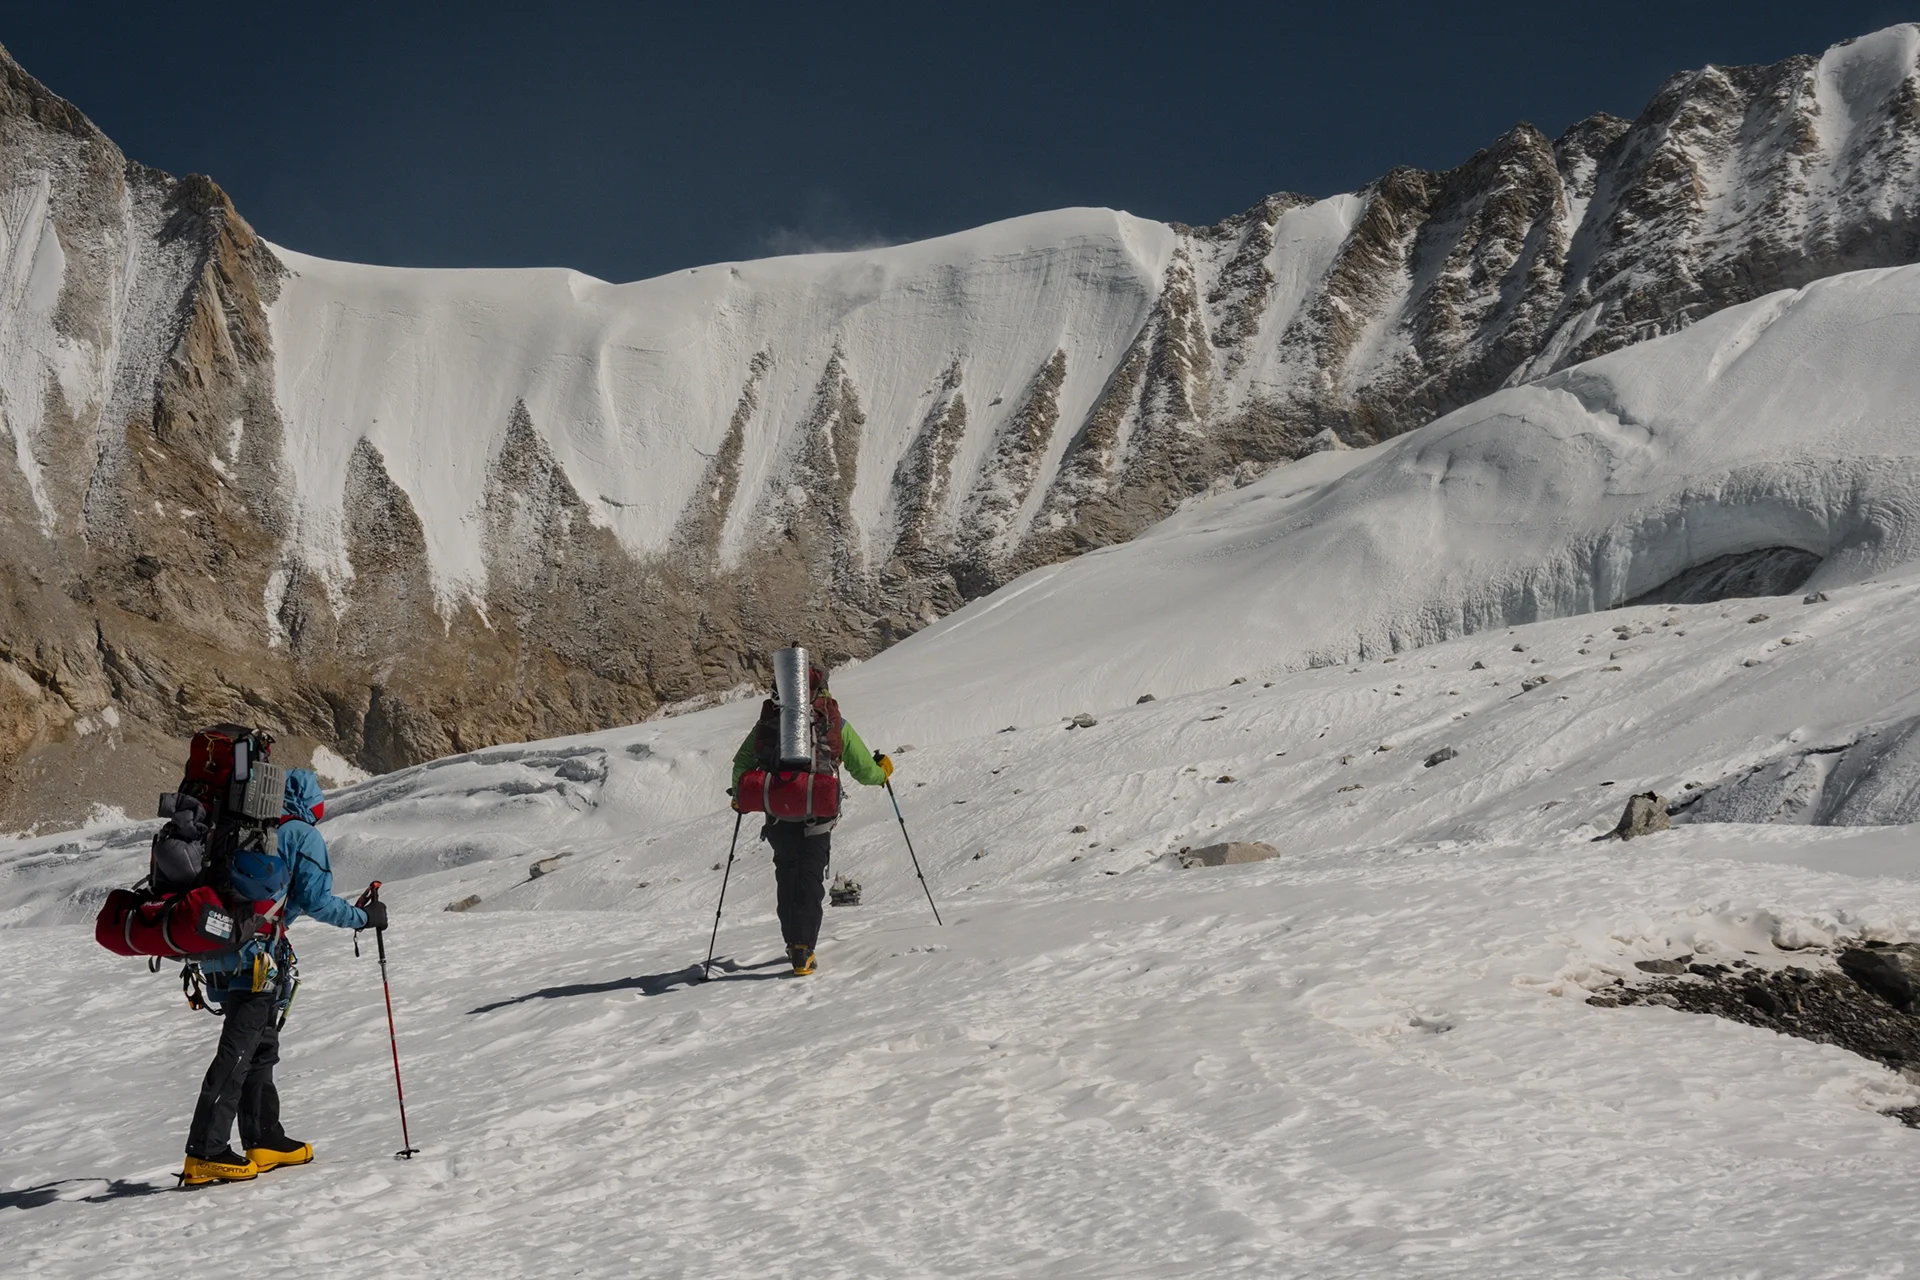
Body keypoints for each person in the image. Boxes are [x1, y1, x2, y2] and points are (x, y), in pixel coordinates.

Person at [180, 767, 384, 1186]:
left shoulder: (241, 828)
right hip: (255, 957)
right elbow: (316, 900)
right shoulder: (299, 834)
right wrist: (364, 917)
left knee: (258, 1046)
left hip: (224, 952)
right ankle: (206, 1150)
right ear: (311, 803)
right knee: (238, 1051)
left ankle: (263, 1137)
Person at [730, 663, 890, 976]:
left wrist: (740, 794)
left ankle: (793, 943)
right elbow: (863, 770)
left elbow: (741, 763)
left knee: (787, 876)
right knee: (809, 878)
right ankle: (803, 949)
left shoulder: (770, 722)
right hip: (817, 816)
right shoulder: (833, 722)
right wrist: (883, 770)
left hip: (777, 816)